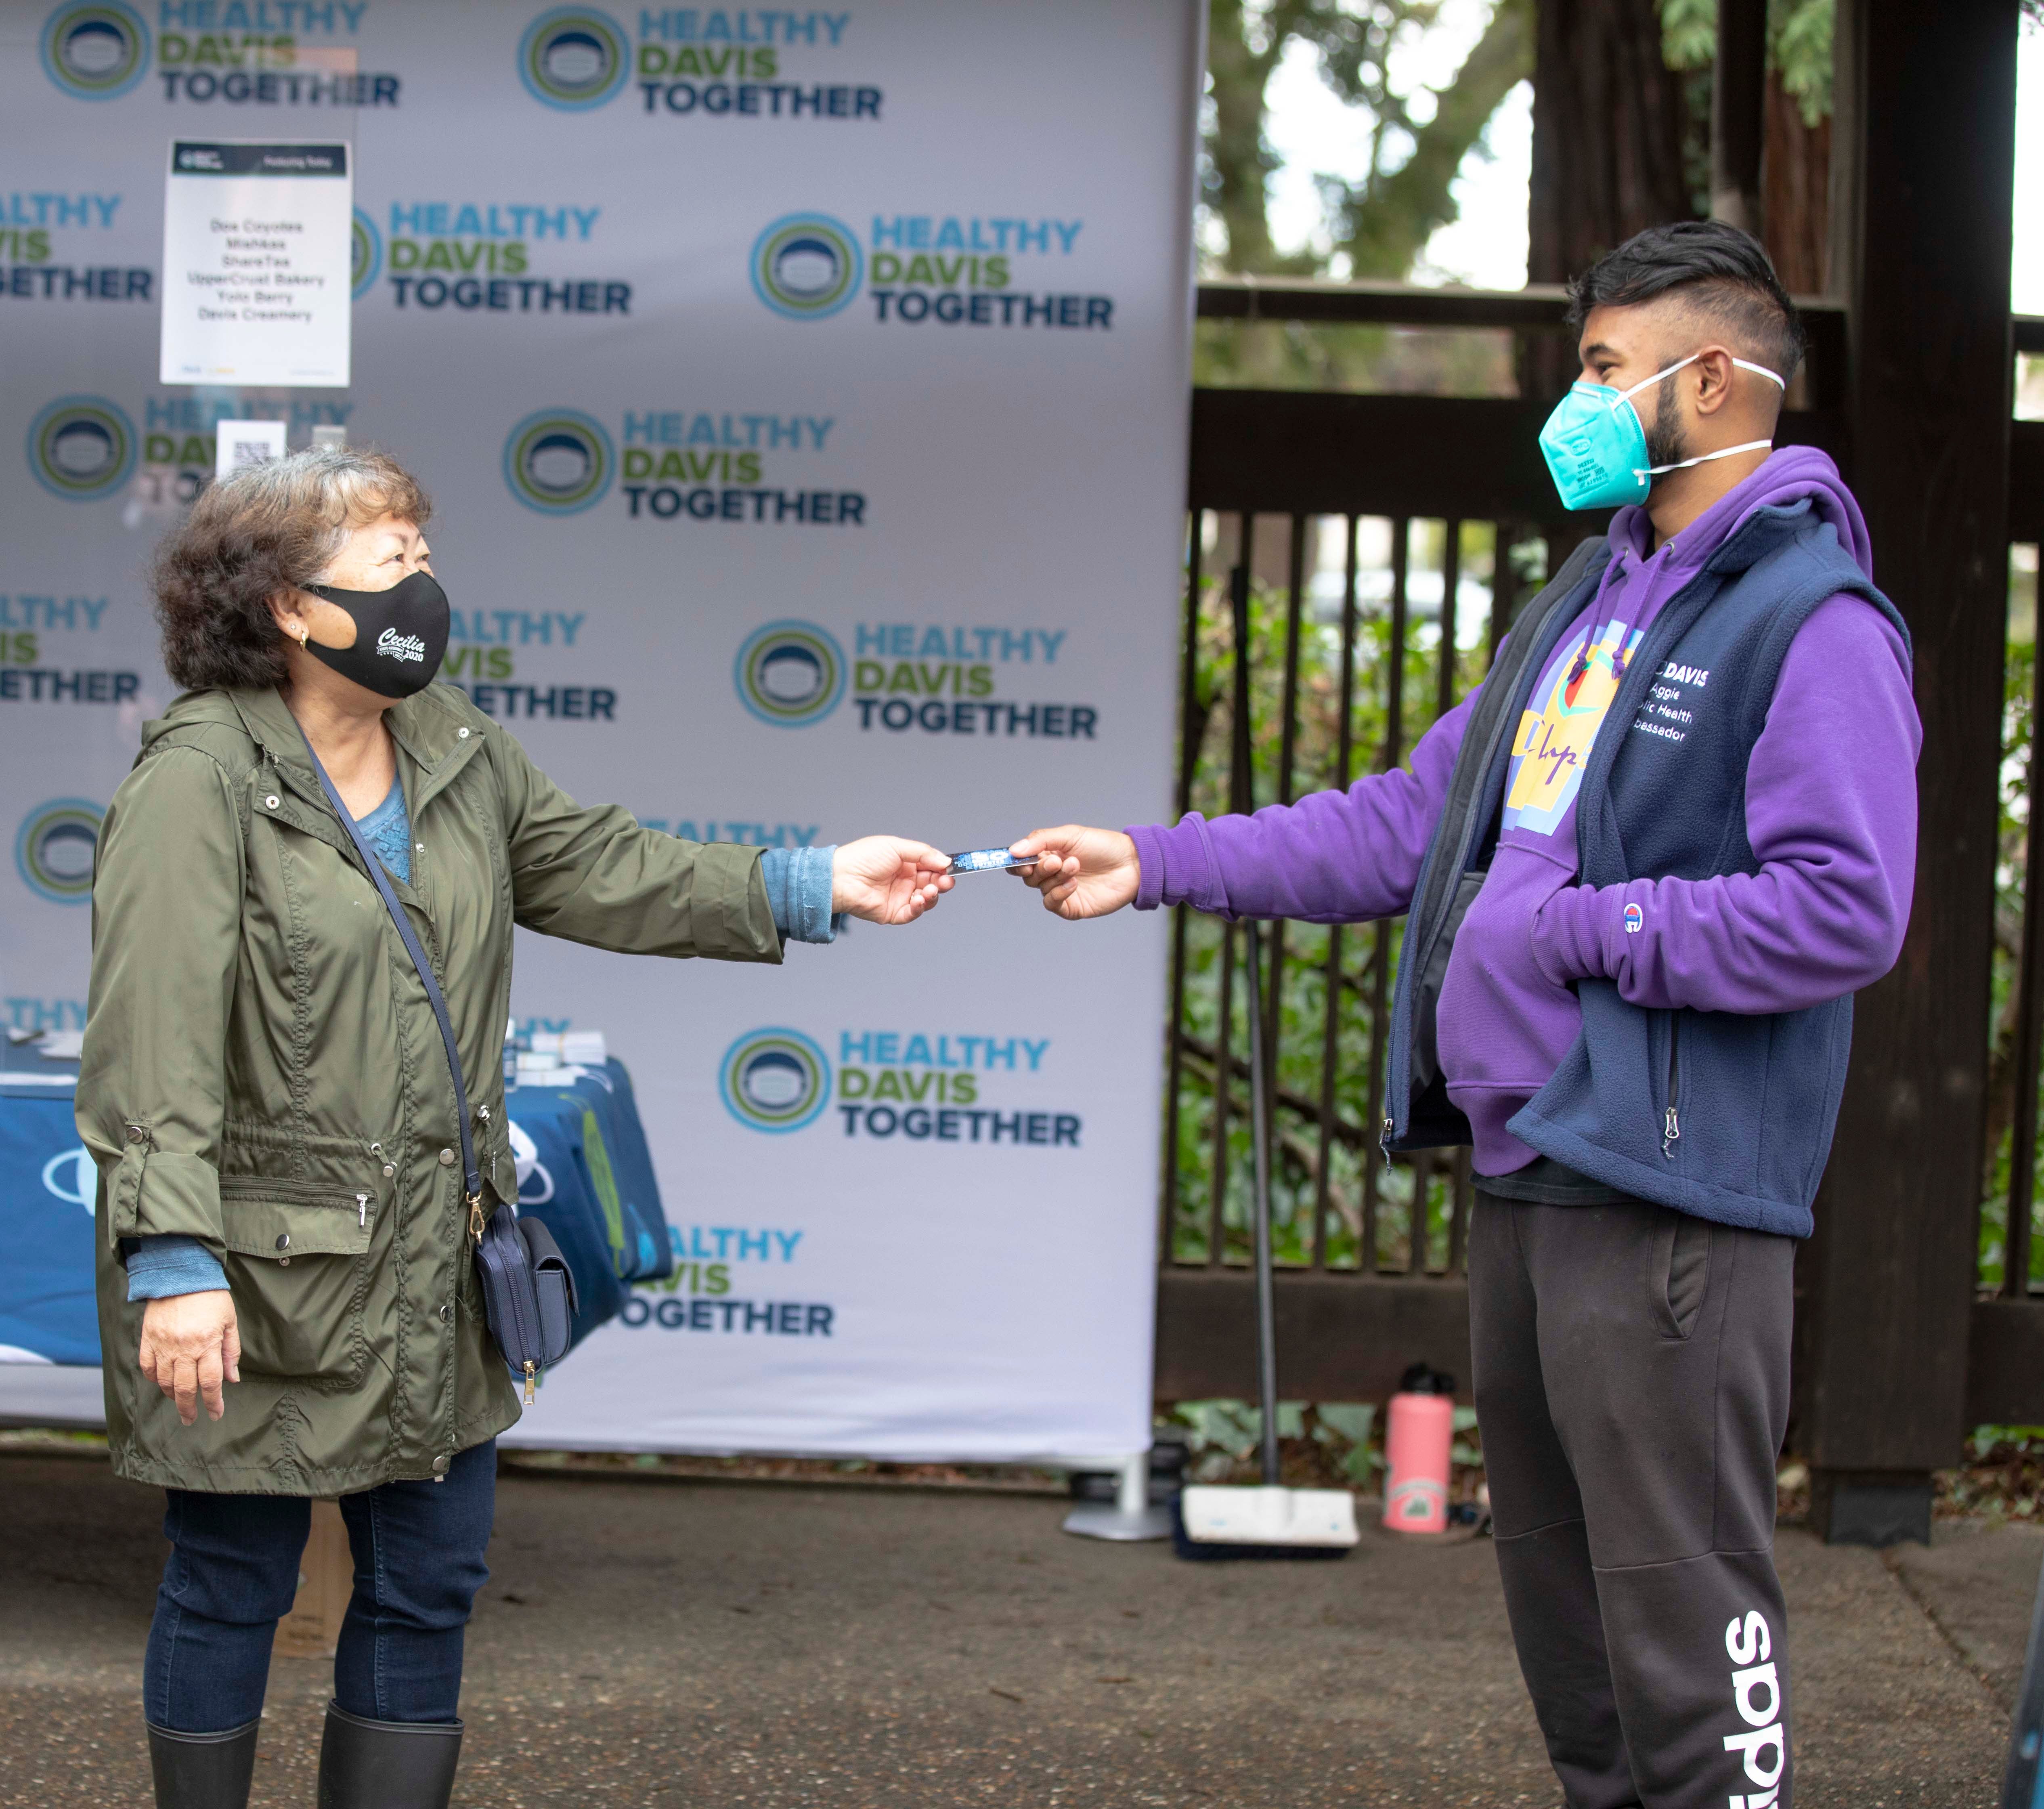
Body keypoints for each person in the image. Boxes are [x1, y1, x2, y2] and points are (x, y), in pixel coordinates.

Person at [1013, 220, 1919, 1809]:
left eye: (1602, 369)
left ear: (1711, 383)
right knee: (1576, 1645)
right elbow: (1400, 828)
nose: (1575, 402)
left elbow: (1847, 905)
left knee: (1686, 1630)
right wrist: (1153, 860)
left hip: (1668, 1197)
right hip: (1530, 1170)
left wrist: (1572, 929)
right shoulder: (1586, 605)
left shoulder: (1814, 623)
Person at [78, 447, 954, 1809]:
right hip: (264, 1271)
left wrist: (803, 883)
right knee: (230, 1580)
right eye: (387, 566)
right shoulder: (201, 777)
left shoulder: (456, 744)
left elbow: (603, 867)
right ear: (290, 610)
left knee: (427, 1587)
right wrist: (177, 1259)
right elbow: (154, 1041)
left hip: (436, 1264)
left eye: (424, 555)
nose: (422, 586)